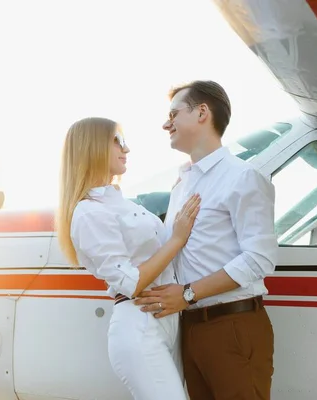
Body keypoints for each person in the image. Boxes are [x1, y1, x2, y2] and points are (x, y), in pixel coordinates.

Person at [134, 80, 278, 399]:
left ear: (202, 113)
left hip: (232, 326)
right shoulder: (182, 183)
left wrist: (186, 293)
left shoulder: (243, 177)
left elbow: (260, 258)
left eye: (173, 113)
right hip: (190, 326)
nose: (165, 123)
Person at [55, 117, 201, 400]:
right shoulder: (88, 213)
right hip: (140, 325)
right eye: (117, 141)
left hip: (167, 322)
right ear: (93, 147)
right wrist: (177, 239)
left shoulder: (119, 203)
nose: (127, 149)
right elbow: (129, 282)